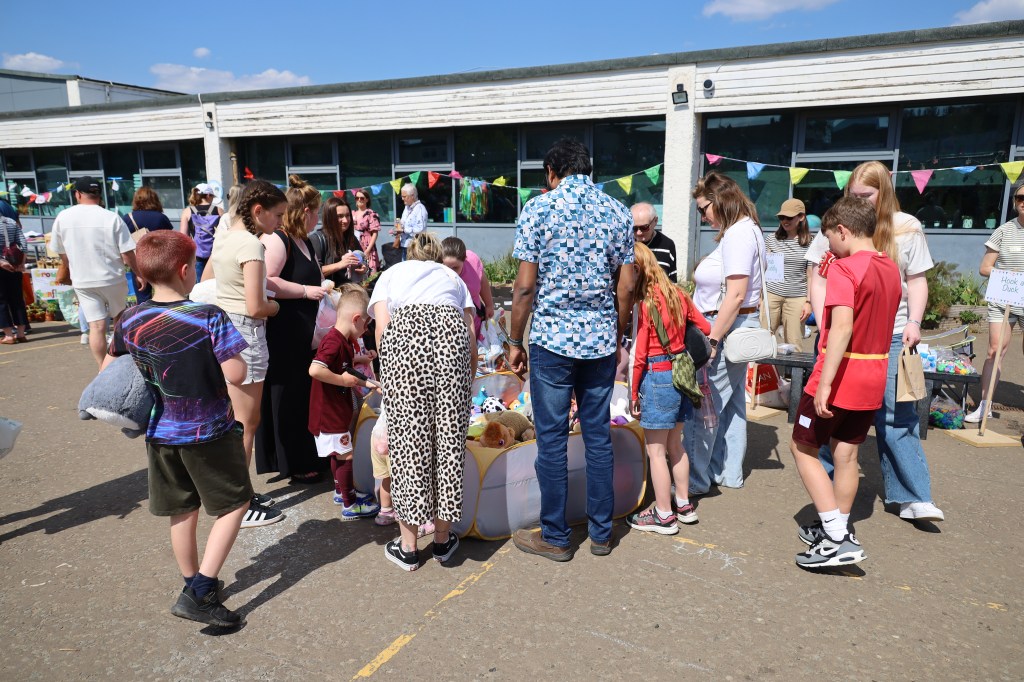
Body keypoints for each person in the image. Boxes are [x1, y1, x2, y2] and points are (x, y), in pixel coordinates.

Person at [104, 230, 252, 627]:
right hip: (209, 432)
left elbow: (107, 371)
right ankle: (201, 591)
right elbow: (236, 373)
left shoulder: (129, 319)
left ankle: (192, 582)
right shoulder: (208, 316)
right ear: (186, 270)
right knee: (235, 503)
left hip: (159, 433)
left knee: (182, 509)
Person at [508, 138, 635, 561]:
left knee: (552, 441)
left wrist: (514, 341)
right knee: (598, 438)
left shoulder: (539, 209)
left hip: (552, 342)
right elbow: (627, 286)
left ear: (551, 172)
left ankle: (556, 536)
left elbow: (524, 287)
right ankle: (601, 534)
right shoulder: (617, 211)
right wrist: (617, 333)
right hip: (599, 342)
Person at [807, 161, 943, 522]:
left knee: (898, 414)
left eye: (865, 194)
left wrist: (914, 321)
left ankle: (912, 495)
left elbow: (916, 279)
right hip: (841, 336)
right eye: (852, 194)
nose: (858, 200)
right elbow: (817, 276)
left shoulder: (907, 227)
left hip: (892, 335)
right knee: (829, 413)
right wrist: (825, 322)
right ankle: (828, 495)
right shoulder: (839, 223)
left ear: (884, 191)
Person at [790, 197, 901, 568]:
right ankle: (836, 528)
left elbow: (841, 328)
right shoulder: (890, 267)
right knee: (846, 454)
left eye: (829, 238)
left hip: (840, 375)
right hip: (874, 375)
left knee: (802, 448)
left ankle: (836, 536)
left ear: (843, 230)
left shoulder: (845, 268)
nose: (829, 247)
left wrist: (824, 384)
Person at [369, 232, 476, 571]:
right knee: (448, 444)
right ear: (437, 256)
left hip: (406, 343)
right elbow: (470, 332)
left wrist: (391, 380)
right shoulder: (452, 277)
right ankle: (442, 541)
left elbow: (382, 329)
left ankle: (409, 547)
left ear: (410, 253)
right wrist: (467, 380)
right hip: (451, 344)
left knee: (409, 446)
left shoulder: (392, 273)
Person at [208, 179, 287, 528]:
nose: (280, 223)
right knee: (246, 423)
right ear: (258, 211)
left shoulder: (225, 234)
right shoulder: (252, 245)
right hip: (246, 332)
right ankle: (238, 501)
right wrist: (276, 307)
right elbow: (256, 306)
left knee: (236, 420)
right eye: (278, 215)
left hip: (224, 329)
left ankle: (238, 493)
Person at [685, 171, 764, 493]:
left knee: (704, 407)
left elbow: (736, 294)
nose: (703, 216)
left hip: (726, 327)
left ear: (719, 201)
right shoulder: (748, 229)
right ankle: (726, 472)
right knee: (730, 406)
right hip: (737, 325)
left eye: (703, 208)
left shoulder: (739, 234)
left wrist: (713, 339)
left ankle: (693, 481)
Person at [626, 243, 710, 534]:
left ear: (638, 269)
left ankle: (663, 515)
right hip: (683, 376)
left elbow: (639, 356)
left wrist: (633, 393)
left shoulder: (646, 304)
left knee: (656, 451)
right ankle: (684, 506)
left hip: (658, 376)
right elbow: (706, 329)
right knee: (676, 446)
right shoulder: (679, 294)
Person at [255, 175, 328, 484]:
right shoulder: (278, 239)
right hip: (284, 334)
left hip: (304, 334)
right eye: (317, 212)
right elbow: (266, 280)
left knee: (303, 397)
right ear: (305, 211)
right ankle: (292, 461)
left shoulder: (305, 240)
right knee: (288, 397)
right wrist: (305, 291)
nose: (318, 219)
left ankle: (307, 455)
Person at [307, 284, 380, 520]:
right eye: (366, 324)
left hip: (334, 410)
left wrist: (369, 383)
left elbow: (347, 369)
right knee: (346, 455)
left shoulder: (343, 340)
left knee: (337, 453)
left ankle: (341, 492)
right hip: (329, 412)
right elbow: (315, 370)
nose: (366, 330)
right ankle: (350, 504)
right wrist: (342, 380)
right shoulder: (333, 341)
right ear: (356, 318)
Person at [50, 176, 137, 369]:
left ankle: (101, 368)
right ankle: (120, 363)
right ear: (99, 194)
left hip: (83, 279)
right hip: (112, 277)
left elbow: (61, 252)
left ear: (77, 194)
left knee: (96, 326)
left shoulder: (63, 217)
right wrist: (139, 273)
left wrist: (72, 267)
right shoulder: (111, 217)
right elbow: (127, 253)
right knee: (119, 320)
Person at [966, 177, 1024, 423]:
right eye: (1020, 198)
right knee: (994, 350)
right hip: (1005, 296)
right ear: (1014, 202)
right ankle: (985, 405)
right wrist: (1005, 274)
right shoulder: (1004, 230)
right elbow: (985, 267)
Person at [764, 198, 813, 346]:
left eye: (789, 217)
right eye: (781, 217)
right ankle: (763, 363)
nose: (785, 221)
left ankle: (792, 364)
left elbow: (811, 275)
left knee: (794, 341)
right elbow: (763, 268)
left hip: (797, 297)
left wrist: (808, 302)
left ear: (801, 217)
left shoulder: (810, 242)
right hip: (772, 293)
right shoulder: (771, 239)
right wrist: (761, 297)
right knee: (763, 337)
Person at [122, 186, 174, 304]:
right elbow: (170, 240)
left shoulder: (128, 218)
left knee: (142, 297)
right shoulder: (161, 218)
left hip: (138, 261)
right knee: (164, 294)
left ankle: (145, 314)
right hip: (159, 260)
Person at [441, 236, 495, 340]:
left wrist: (489, 305)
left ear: (464, 260)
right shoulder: (436, 269)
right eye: (447, 267)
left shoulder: (472, 260)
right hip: (449, 331)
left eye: (455, 267)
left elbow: (482, 281)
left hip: (475, 325)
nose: (451, 272)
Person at [310, 196, 366, 284]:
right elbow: (313, 272)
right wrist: (341, 264)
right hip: (327, 291)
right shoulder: (317, 239)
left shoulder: (351, 238)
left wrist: (363, 268)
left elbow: (362, 260)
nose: (345, 220)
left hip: (350, 290)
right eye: (340, 216)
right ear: (329, 217)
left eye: (347, 215)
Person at [179, 183, 223, 281]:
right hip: (215, 254)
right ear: (208, 195)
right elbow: (226, 233)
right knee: (215, 282)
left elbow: (183, 237)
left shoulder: (187, 211)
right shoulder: (219, 211)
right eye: (212, 196)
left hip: (196, 255)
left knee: (199, 283)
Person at [631, 202, 677, 282]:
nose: (639, 232)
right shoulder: (625, 244)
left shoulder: (667, 244)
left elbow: (672, 281)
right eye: (634, 228)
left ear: (655, 221)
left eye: (644, 227)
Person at [0, 213, 28, 344]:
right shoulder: (11, 222)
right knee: (17, 299)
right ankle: (21, 333)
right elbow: (23, 243)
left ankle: (9, 335)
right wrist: (22, 262)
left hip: (2, 264)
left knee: (1, 301)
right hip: (15, 264)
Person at [392, 183, 427, 261]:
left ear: (412, 196)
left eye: (404, 196)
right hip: (404, 245)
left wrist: (404, 230)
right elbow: (403, 222)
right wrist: (397, 229)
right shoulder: (406, 208)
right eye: (402, 196)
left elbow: (420, 229)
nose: (402, 199)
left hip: (415, 247)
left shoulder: (420, 209)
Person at [352, 189, 382, 273]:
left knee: (369, 270)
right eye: (357, 198)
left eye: (362, 198)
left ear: (367, 199)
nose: (359, 200)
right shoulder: (352, 213)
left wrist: (368, 250)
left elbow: (375, 233)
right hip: (355, 244)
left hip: (367, 245)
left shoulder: (371, 214)